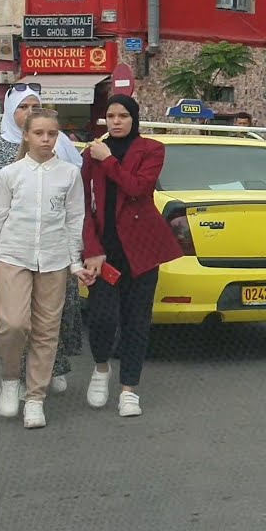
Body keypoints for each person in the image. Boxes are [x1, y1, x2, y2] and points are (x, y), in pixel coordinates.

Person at [81, 96, 184, 418]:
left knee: (136, 321)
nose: (116, 121)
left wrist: (109, 159)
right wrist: (91, 249)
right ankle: (100, 368)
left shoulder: (151, 149)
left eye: (123, 115)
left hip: (140, 249)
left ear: (134, 118)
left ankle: (129, 389)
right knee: (100, 319)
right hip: (103, 251)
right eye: (110, 116)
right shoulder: (92, 153)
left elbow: (137, 188)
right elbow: (84, 205)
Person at [0, 108, 90, 429]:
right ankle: (11, 380)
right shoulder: (11, 173)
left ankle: (35, 397)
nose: (46, 140)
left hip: (54, 260)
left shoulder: (68, 174)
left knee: (47, 331)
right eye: (39, 133)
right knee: (13, 323)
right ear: (26, 135)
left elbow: (74, 219)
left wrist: (75, 261)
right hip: (12, 255)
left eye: (52, 134)